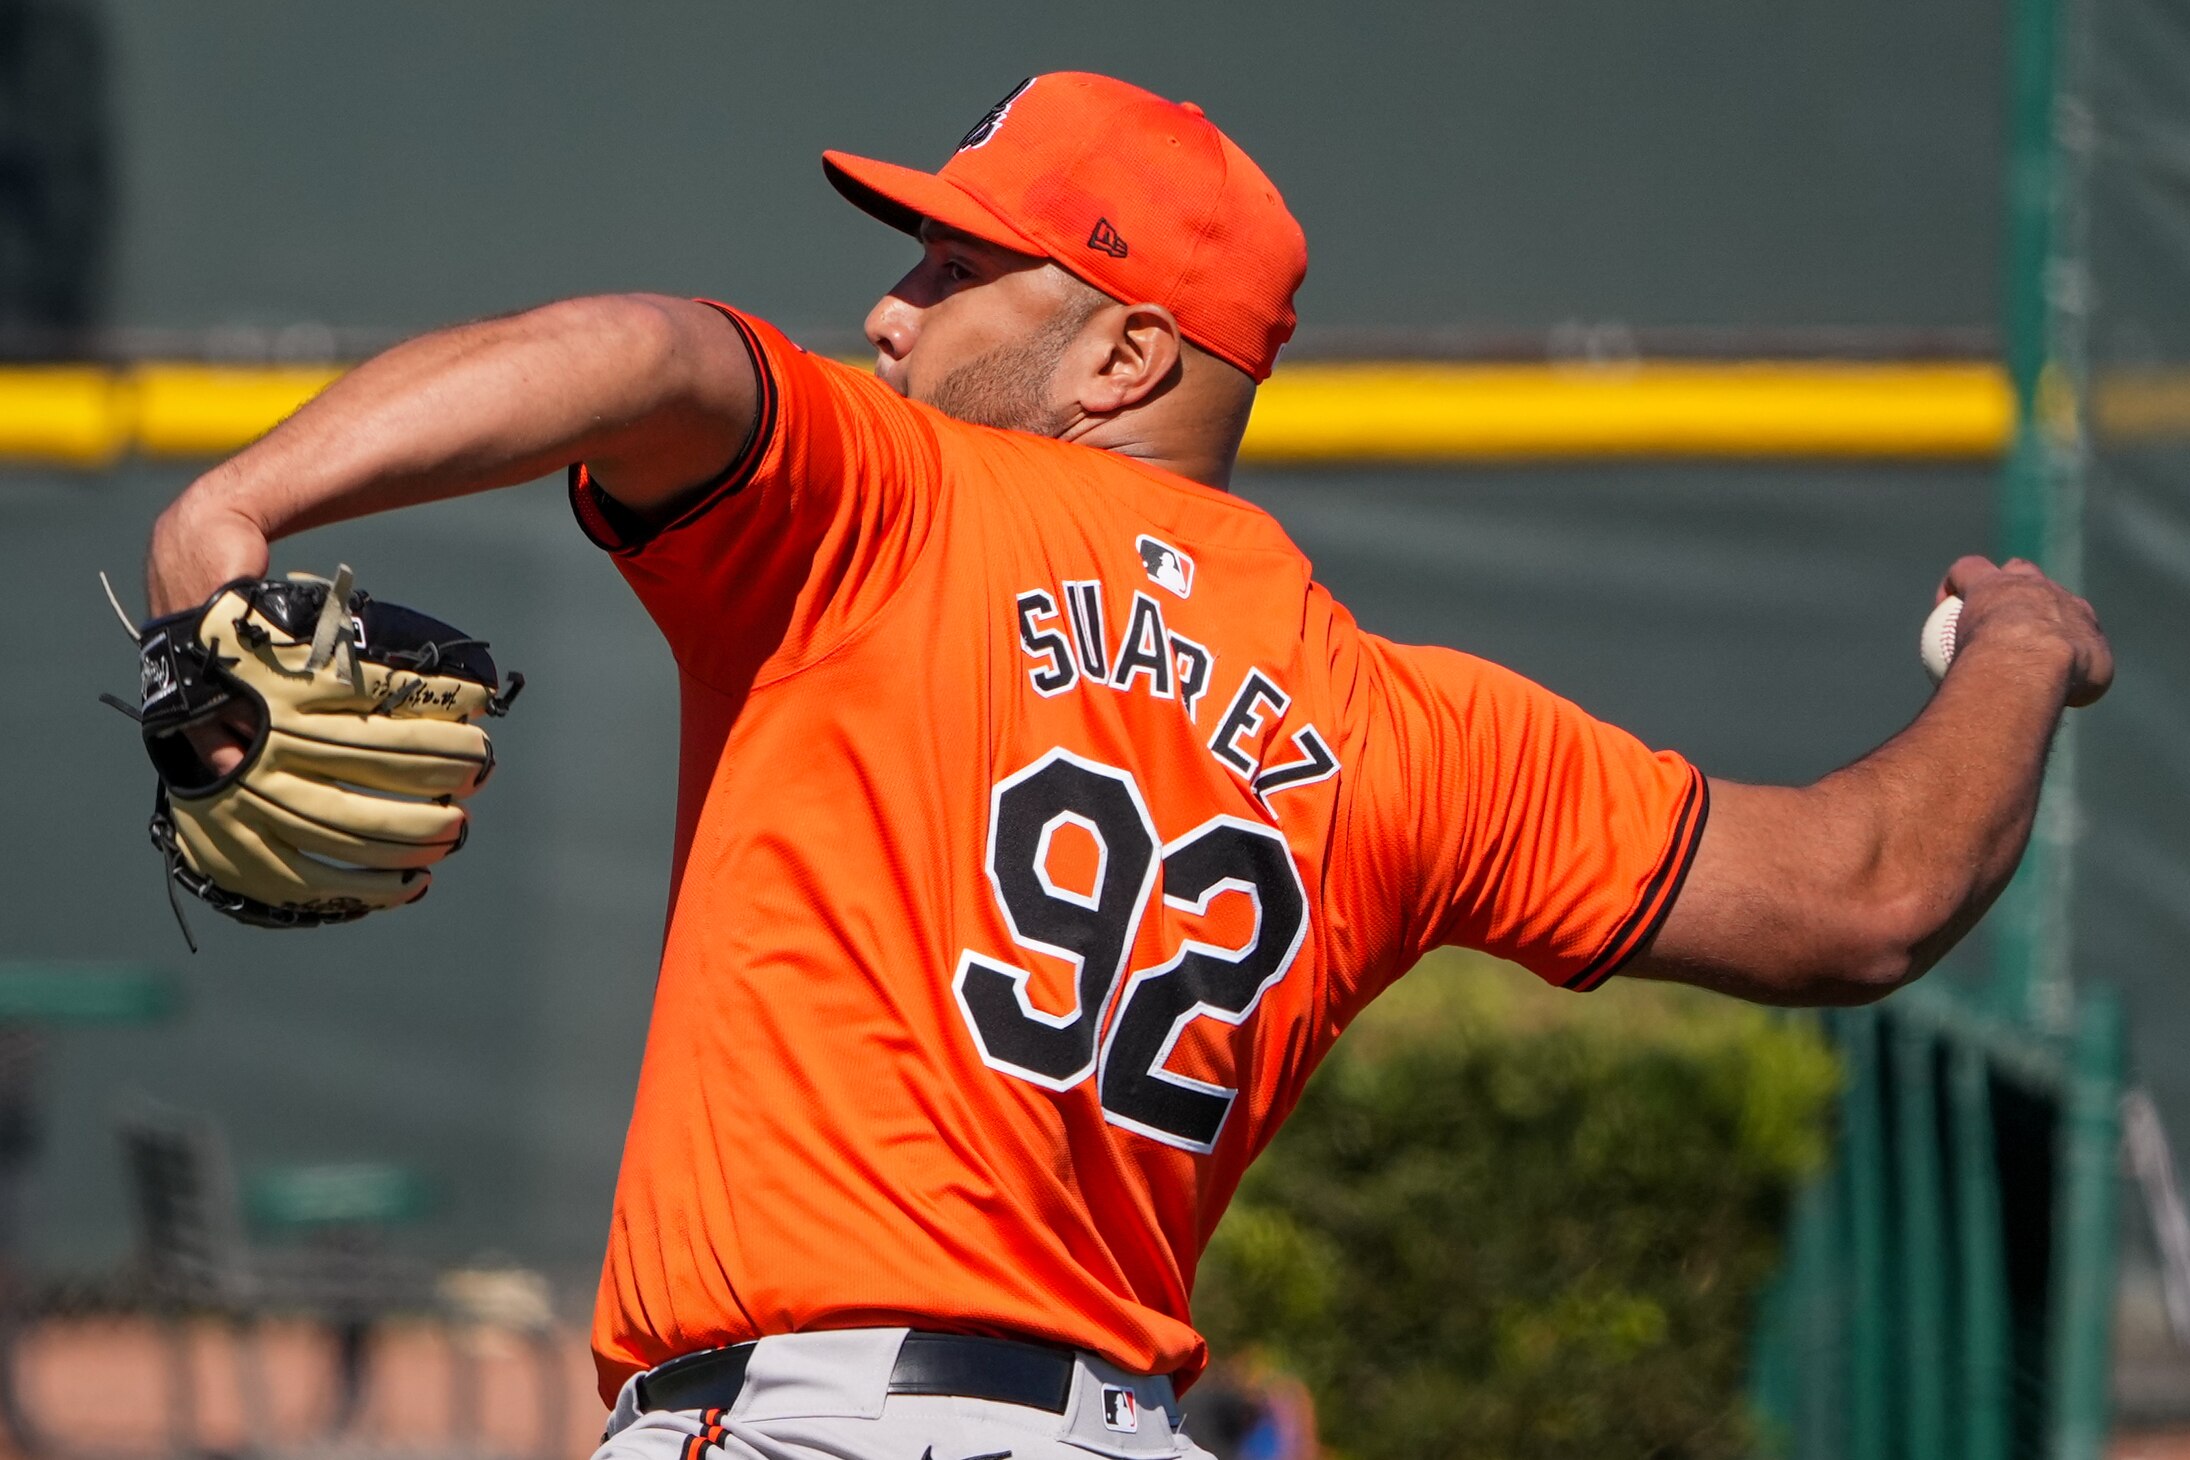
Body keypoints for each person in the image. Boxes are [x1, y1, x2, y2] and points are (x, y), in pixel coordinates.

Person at [141, 72, 2110, 1460]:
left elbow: (650, 353)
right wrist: (2019, 653)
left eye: (950, 266)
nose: (888, 310)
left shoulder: (885, 506)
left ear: (1123, 360)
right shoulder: (1408, 726)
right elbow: (1869, 890)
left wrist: (241, 504)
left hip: (804, 1422)